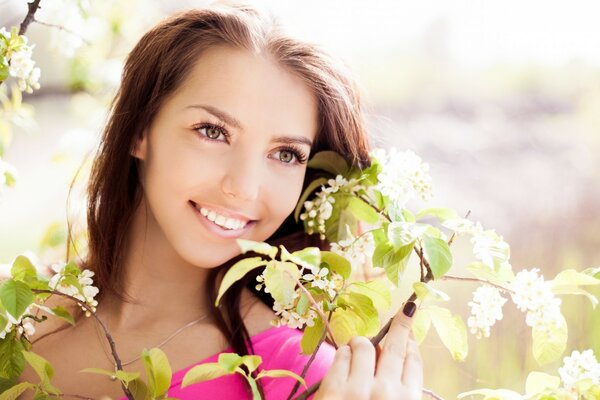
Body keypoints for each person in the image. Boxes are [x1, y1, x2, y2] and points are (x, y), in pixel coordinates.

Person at [19, 2, 423, 399]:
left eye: (286, 154)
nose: (244, 186)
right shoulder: (19, 312)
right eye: (212, 131)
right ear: (140, 128)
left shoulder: (295, 374)